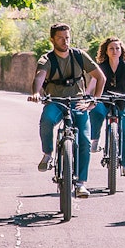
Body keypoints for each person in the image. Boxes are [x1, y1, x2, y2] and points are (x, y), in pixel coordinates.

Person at [28, 23, 106, 198]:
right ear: (52, 39)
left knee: (85, 141)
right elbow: (39, 77)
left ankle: (81, 184)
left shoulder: (79, 56)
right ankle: (48, 154)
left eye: (67, 38)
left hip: (78, 102)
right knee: (47, 120)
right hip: (55, 101)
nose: (65, 41)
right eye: (61, 38)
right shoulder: (46, 59)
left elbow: (101, 77)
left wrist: (94, 100)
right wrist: (35, 93)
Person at [88, 37, 125, 177]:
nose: (114, 51)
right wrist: (87, 95)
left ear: (121, 51)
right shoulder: (100, 67)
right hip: (104, 98)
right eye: (111, 48)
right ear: (106, 51)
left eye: (117, 48)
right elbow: (92, 83)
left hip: (122, 99)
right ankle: (95, 140)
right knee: (95, 111)